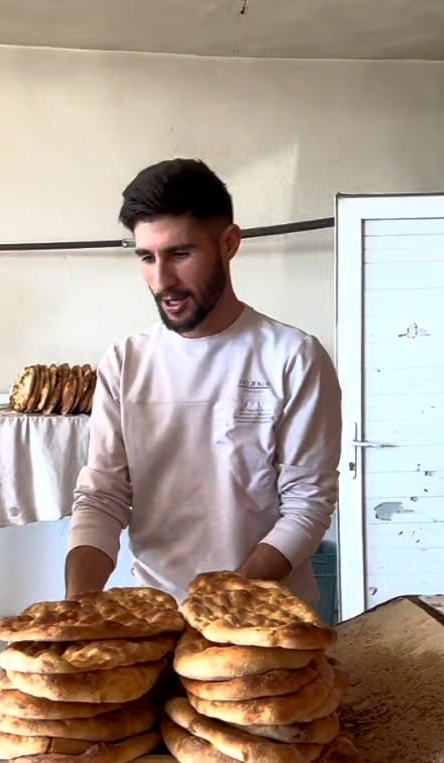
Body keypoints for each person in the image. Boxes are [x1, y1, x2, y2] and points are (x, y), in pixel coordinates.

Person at [65, 158, 342, 606]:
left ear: (229, 243)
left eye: (180, 254)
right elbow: (102, 497)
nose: (162, 280)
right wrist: (77, 605)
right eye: (147, 257)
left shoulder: (292, 357)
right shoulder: (126, 363)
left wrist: (221, 602)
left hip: (266, 616)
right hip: (157, 617)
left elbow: (306, 506)